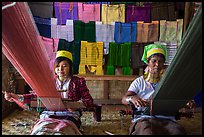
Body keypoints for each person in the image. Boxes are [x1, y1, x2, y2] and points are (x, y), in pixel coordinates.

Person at [4, 50, 94, 134]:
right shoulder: (49, 82)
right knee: (42, 129)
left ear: (70, 67)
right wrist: (15, 96)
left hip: (70, 113)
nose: (60, 69)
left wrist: (75, 105)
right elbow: (36, 96)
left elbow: (88, 100)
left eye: (64, 66)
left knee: (63, 130)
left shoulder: (78, 82)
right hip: (49, 113)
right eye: (58, 66)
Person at [121, 44, 186, 135]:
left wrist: (186, 102)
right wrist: (132, 98)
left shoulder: (168, 82)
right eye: (154, 61)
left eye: (160, 61)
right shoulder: (140, 82)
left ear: (164, 63)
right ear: (148, 62)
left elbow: (178, 98)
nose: (157, 65)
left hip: (166, 119)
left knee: (177, 132)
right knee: (147, 132)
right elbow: (124, 99)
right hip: (144, 118)